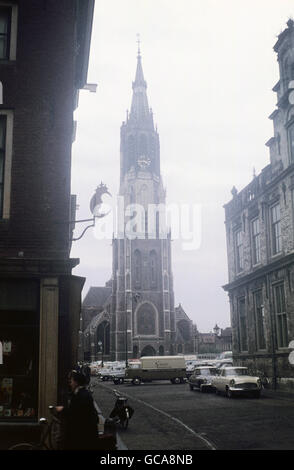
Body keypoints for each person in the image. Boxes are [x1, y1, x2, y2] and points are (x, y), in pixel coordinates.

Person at [56, 370, 98, 450]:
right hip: (85, 434)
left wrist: (62, 409)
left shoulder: (81, 395)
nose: (70, 384)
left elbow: (75, 413)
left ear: (76, 382)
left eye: (71, 381)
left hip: (82, 435)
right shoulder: (82, 393)